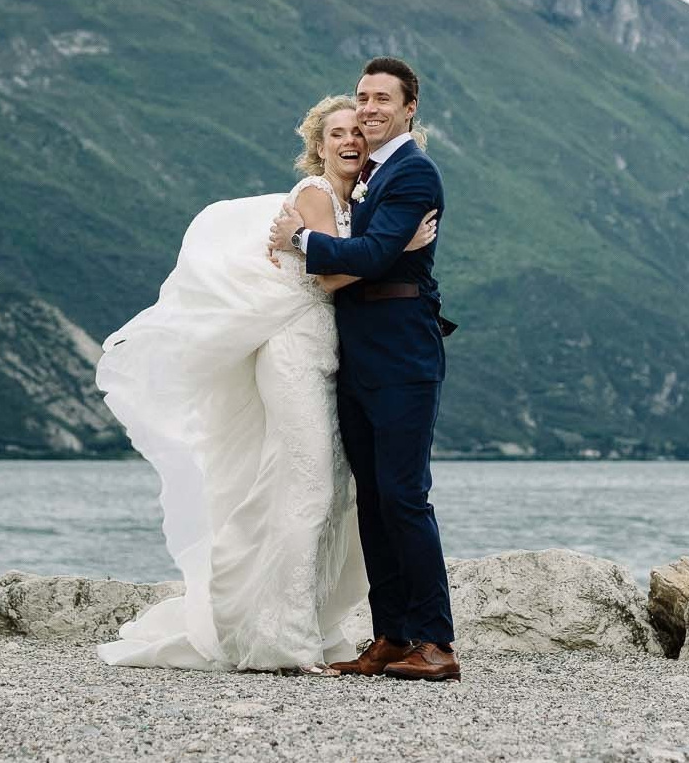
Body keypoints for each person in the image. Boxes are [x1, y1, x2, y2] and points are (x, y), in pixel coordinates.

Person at [95, 94, 437, 671]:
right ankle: (284, 638)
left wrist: (384, 246)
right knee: (310, 487)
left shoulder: (359, 199)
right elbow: (329, 278)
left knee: (313, 487)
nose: (350, 140)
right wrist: (400, 247)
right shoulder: (314, 195)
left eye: (358, 131)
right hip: (295, 351)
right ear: (318, 145)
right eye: (336, 134)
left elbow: (347, 260)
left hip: (332, 356)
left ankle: (287, 621)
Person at [268, 56, 459, 682]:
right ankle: (391, 635)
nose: (370, 109)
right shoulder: (366, 177)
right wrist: (376, 253)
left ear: (409, 108)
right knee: (373, 502)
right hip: (356, 353)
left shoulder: (413, 172)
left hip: (404, 353)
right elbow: (366, 258)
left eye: (383, 99)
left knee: (405, 498)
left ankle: (436, 642)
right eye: (362, 97)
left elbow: (371, 256)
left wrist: (301, 240)